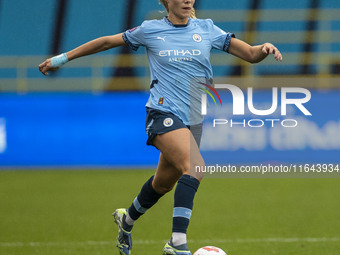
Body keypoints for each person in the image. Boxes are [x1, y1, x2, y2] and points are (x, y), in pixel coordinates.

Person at [39, 0, 282, 254]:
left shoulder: (207, 29)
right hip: (162, 113)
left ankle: (127, 219)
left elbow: (250, 55)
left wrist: (263, 49)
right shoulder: (150, 30)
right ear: (167, 2)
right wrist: (62, 58)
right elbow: (106, 42)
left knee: (163, 184)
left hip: (192, 120)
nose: (188, 0)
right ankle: (177, 243)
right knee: (195, 167)